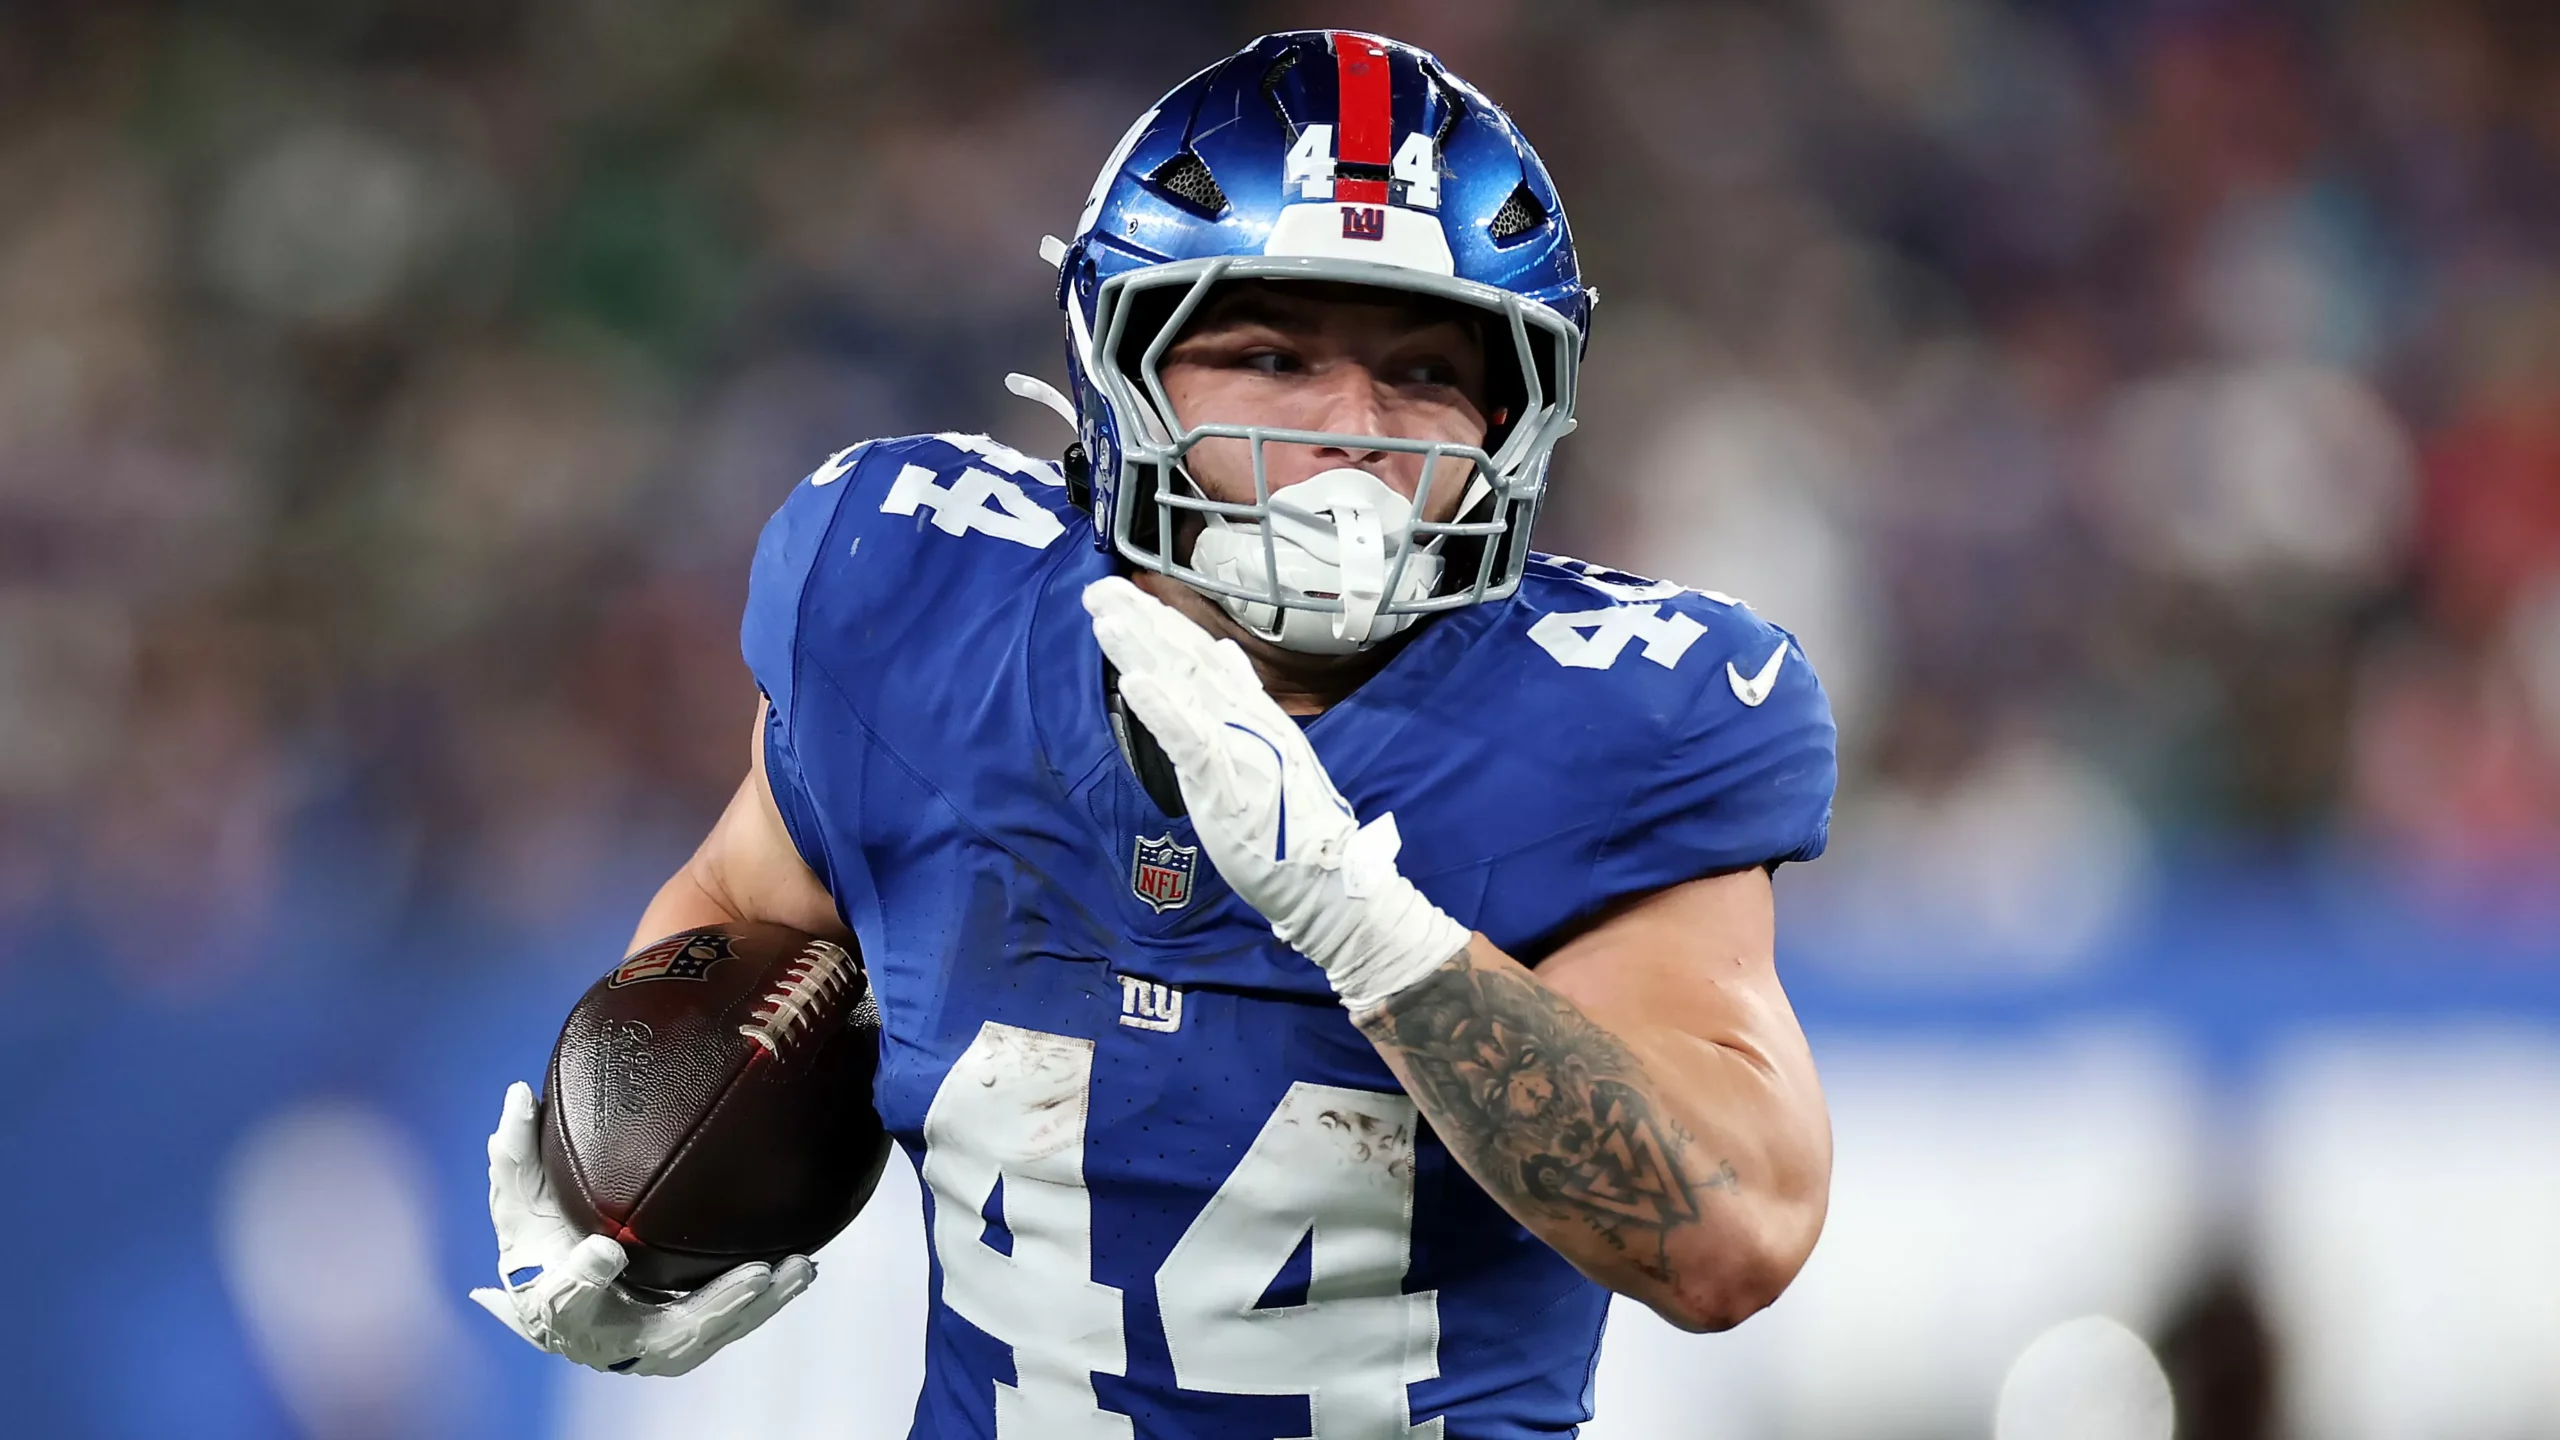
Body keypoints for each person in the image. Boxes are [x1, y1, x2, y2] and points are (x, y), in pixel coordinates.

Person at [473, 30, 1839, 1438]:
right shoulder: (915, 596)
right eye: (1272, 356)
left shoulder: (1623, 715)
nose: (1354, 428)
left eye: (1425, 372)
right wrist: (648, 1214)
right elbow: (746, 908)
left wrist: (1372, 933)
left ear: (1515, 417)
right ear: (1123, 369)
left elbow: (1730, 1237)